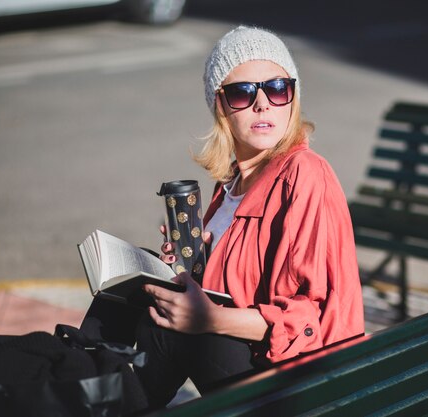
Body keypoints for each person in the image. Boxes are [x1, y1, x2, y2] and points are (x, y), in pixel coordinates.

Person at [82, 25, 364, 409]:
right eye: (242, 93)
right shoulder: (231, 184)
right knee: (129, 291)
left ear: (292, 98)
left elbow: (308, 317)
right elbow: (231, 290)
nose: (263, 104)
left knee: (170, 326)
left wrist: (206, 320)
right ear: (221, 106)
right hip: (255, 364)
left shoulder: (305, 173)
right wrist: (189, 269)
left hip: (303, 386)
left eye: (277, 88)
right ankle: (76, 379)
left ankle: (92, 401)